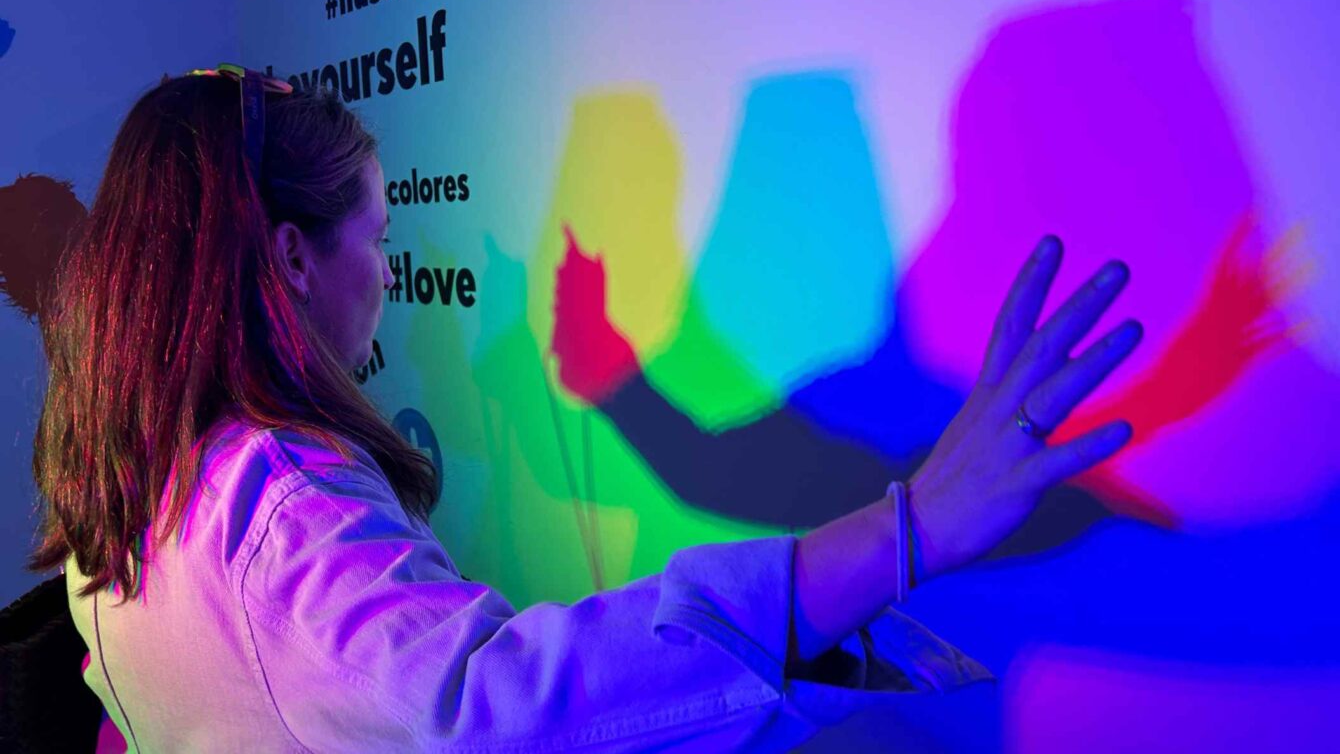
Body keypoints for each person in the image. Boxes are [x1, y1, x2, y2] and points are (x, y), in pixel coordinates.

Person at [26, 66, 1141, 752]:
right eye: (376, 239)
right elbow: (491, 712)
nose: (388, 272)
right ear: (291, 258)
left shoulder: (126, 480)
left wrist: (617, 385)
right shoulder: (274, 503)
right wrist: (912, 532)